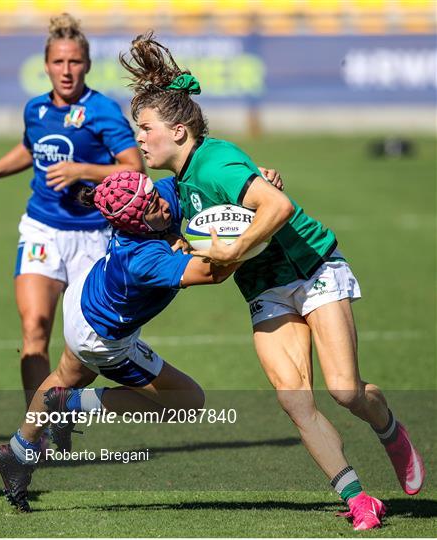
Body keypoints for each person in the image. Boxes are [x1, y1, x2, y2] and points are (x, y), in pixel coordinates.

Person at [118, 32, 426, 532]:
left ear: (177, 131)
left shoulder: (217, 161)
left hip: (312, 267)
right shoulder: (179, 184)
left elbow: (277, 208)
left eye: (145, 128)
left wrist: (234, 247)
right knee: (293, 398)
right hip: (265, 288)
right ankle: (357, 498)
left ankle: (389, 430)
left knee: (346, 390)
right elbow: (163, 215)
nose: (139, 138)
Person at [0, 170, 244, 512]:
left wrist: (254, 184)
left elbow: (188, 182)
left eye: (156, 194)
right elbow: (213, 272)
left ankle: (18, 453)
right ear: (136, 223)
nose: (164, 205)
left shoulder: (148, 209)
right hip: (104, 338)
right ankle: (73, 404)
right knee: (187, 401)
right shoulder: (142, 260)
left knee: (65, 375)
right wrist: (254, 236)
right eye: (153, 205)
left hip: (86, 303)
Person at [0, 14, 145, 408]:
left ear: (87, 65)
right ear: (46, 65)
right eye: (59, 62)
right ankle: (35, 433)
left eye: (74, 62)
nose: (66, 70)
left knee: (82, 344)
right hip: (42, 228)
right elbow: (31, 148)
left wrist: (83, 170)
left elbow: (134, 166)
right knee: (34, 329)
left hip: (92, 235)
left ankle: (62, 408)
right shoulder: (36, 109)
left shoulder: (103, 110)